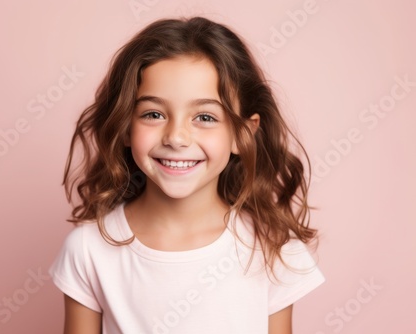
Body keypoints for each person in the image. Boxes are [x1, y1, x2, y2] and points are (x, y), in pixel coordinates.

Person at [49, 16, 325, 334]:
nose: (176, 137)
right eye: (154, 114)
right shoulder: (88, 250)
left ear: (242, 135)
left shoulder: (273, 248)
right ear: (125, 127)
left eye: (205, 117)